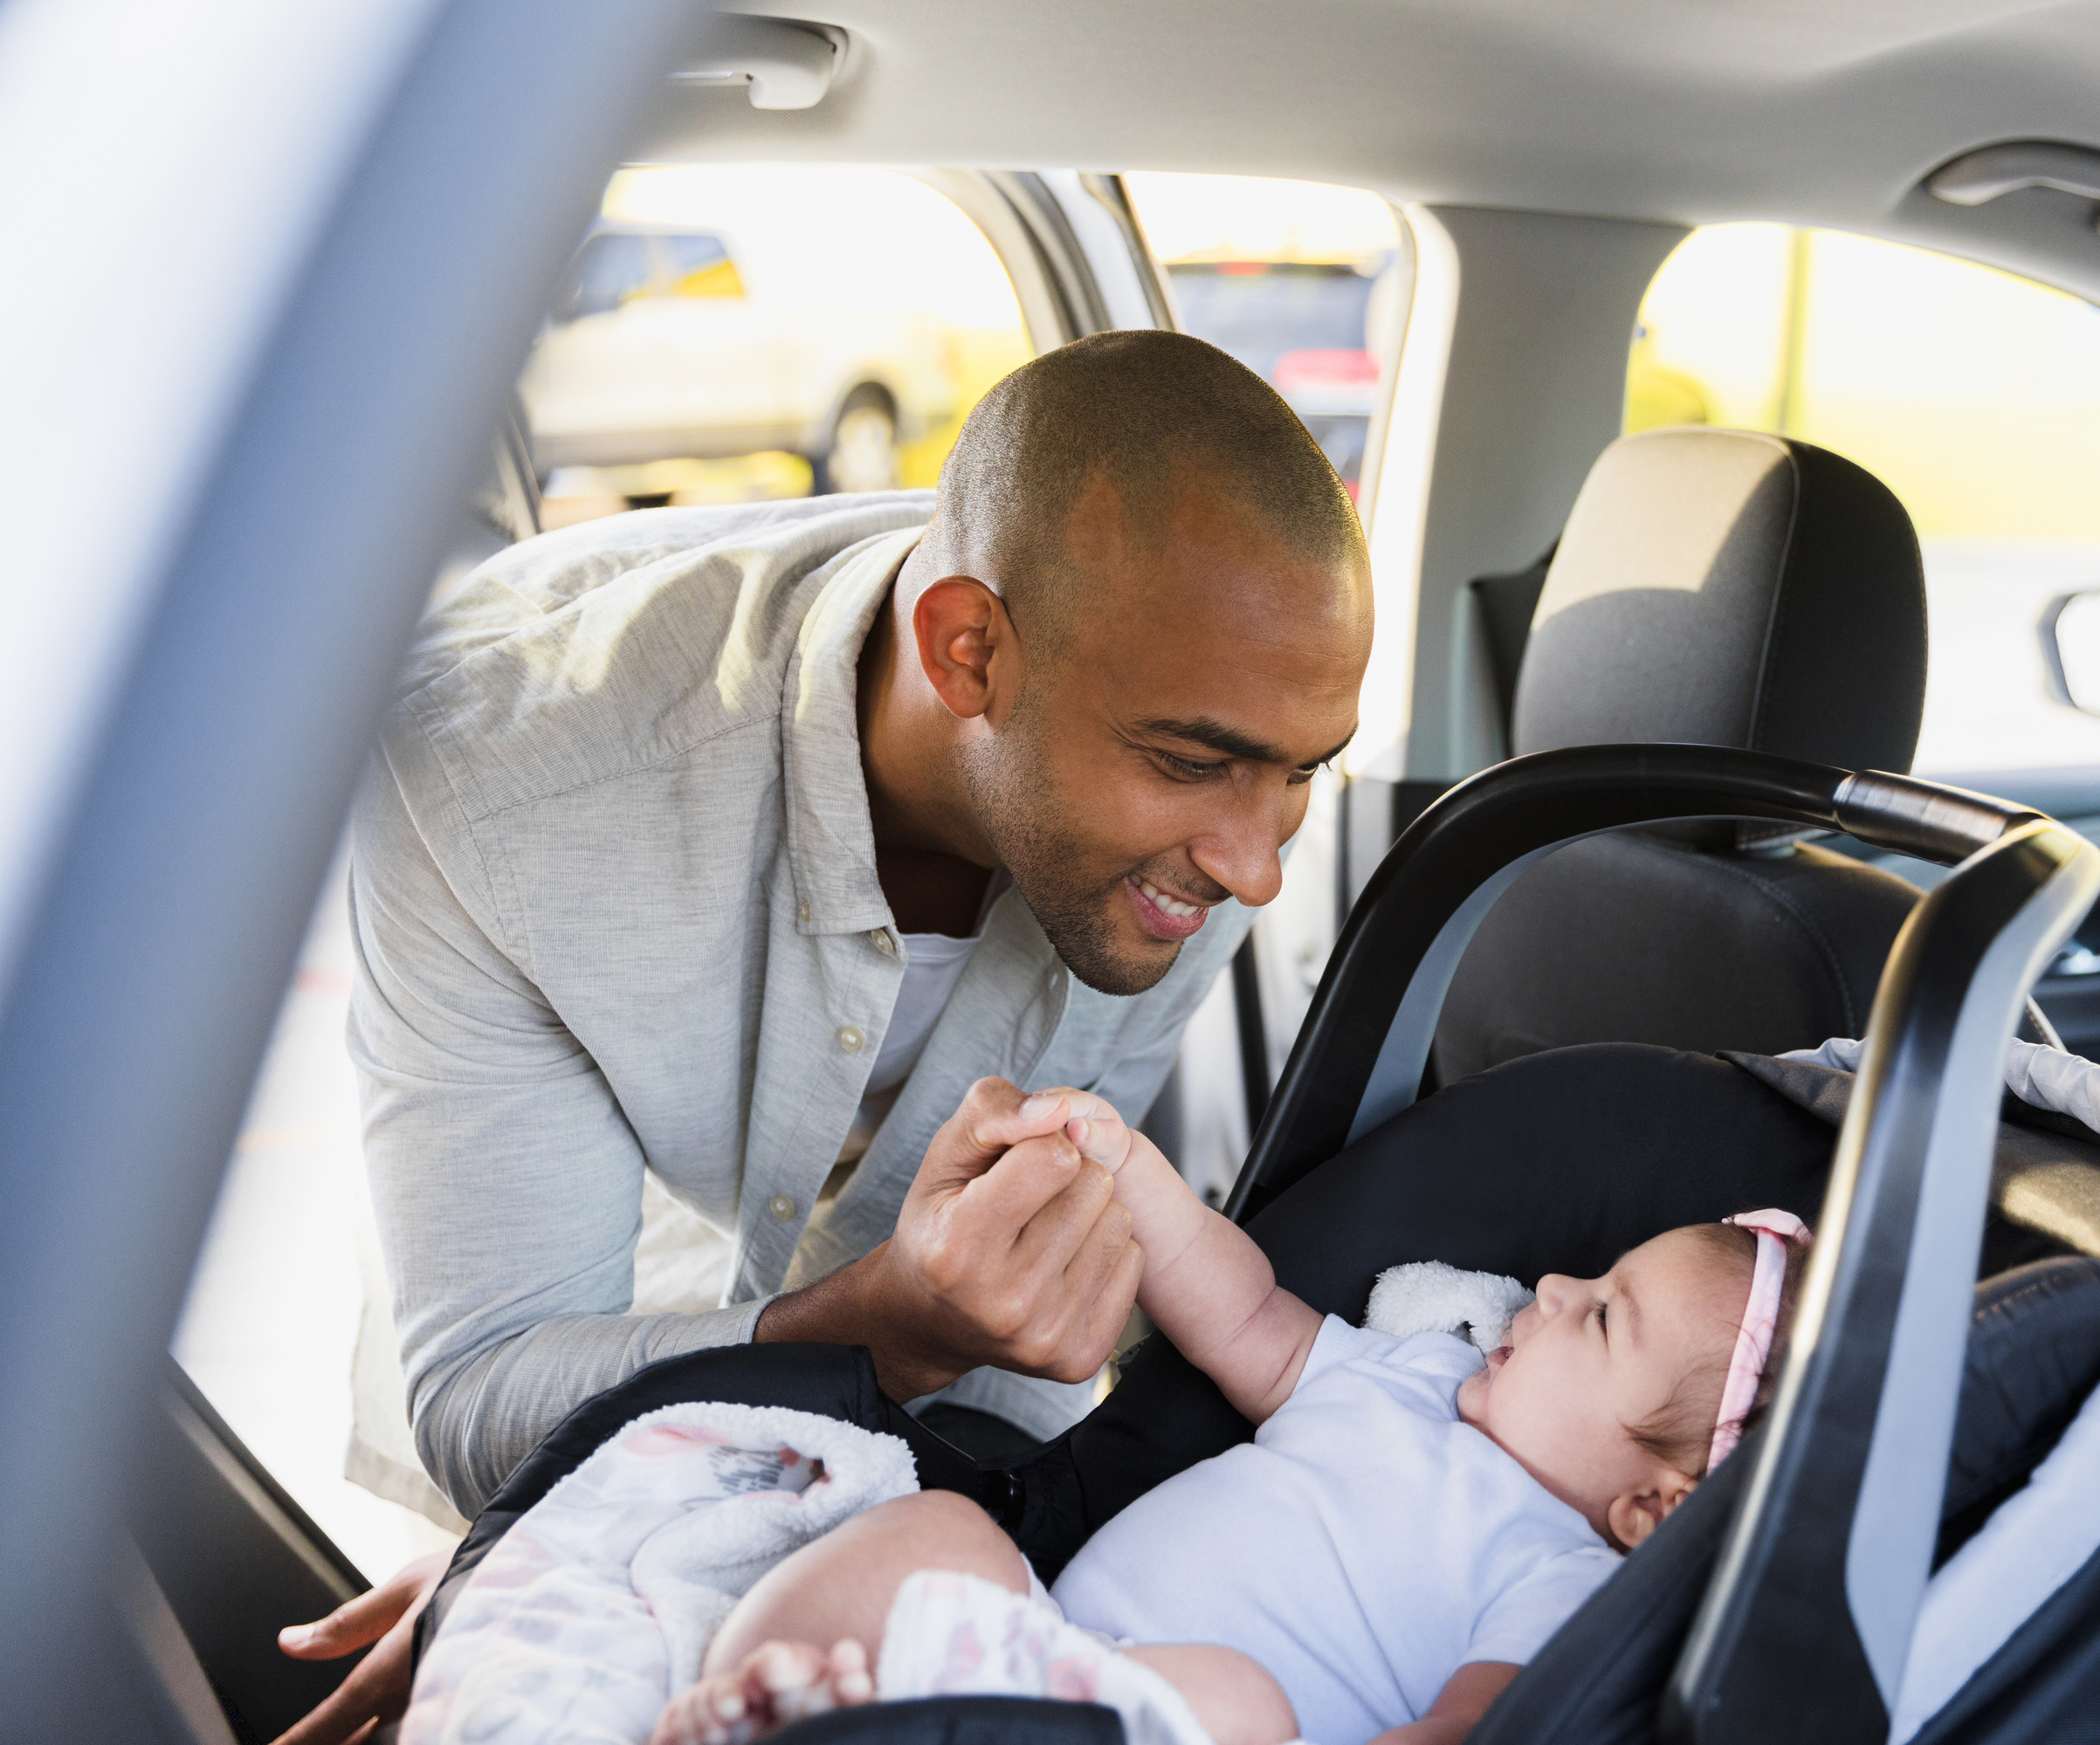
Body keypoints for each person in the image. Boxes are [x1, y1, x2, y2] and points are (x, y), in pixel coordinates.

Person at [271, 329, 1374, 1744]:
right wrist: (570, 1542)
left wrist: (657, 1537)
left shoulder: (1200, 820)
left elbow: (1002, 1395)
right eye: (1191, 763)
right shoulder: (498, 798)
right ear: (968, 652)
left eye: (1302, 775)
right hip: (626, 1275)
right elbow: (494, 1393)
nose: (1257, 869)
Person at [637, 1095, 1813, 1745]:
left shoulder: (1560, 1582)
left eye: (1602, 1319)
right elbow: (1247, 1312)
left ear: (1654, 1507)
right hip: (1022, 1643)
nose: (1553, 1288)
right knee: (937, 1535)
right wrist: (1136, 1179)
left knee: (1239, 1705)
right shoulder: (1409, 1382)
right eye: (1589, 1278)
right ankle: (757, 1698)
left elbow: (1474, 1731)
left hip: (1169, 1727)